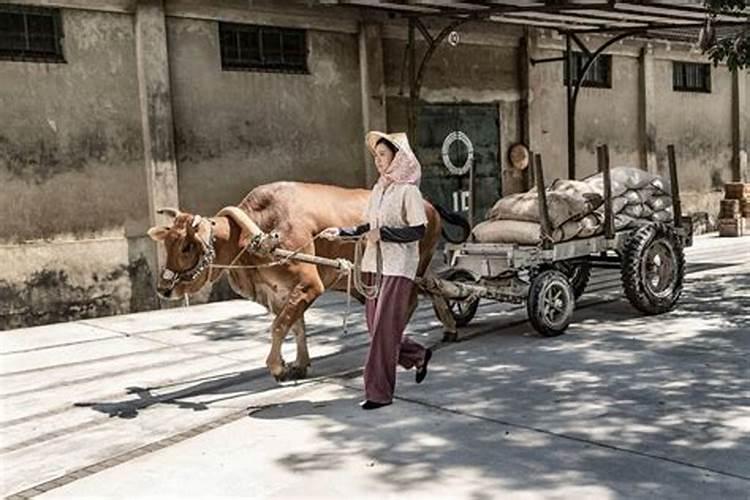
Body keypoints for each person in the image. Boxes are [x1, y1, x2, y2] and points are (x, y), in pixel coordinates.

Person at [320, 131, 432, 410]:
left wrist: (383, 234)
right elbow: (367, 227)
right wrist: (342, 232)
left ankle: (378, 393)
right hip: (372, 264)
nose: (378, 161)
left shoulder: (409, 191)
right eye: (376, 156)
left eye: (383, 155)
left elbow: (418, 230)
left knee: (383, 331)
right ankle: (417, 354)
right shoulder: (379, 189)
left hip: (398, 267)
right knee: (375, 328)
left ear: (398, 157)